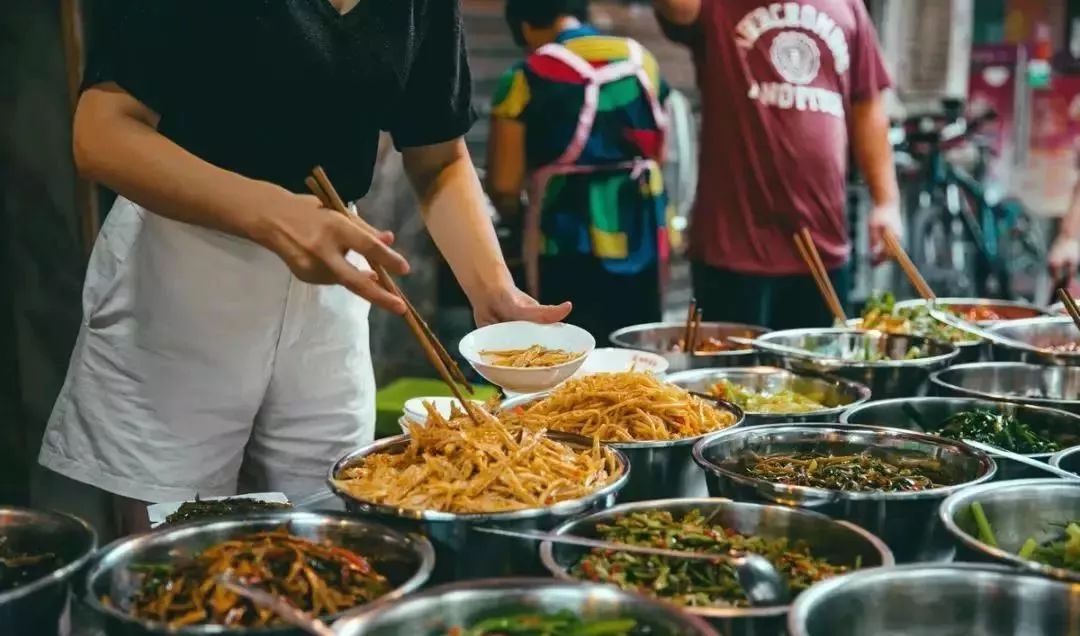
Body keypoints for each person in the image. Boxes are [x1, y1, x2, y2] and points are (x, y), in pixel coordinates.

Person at [35, 0, 570, 539]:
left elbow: (439, 157)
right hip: (180, 270)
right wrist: (272, 213)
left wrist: (493, 287)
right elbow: (102, 133)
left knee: (329, 524)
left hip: (329, 277)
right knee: (179, 539)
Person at [651, 0, 901, 328]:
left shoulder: (848, 6)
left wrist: (886, 202)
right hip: (733, 251)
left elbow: (867, 106)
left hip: (823, 246)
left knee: (822, 377)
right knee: (727, 377)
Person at [486, 0, 671, 343]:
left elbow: (504, 183)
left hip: (564, 237)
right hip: (641, 227)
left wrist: (515, 220)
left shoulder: (527, 74)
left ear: (525, 27)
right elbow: (661, 150)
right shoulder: (641, 59)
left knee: (571, 349)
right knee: (637, 349)